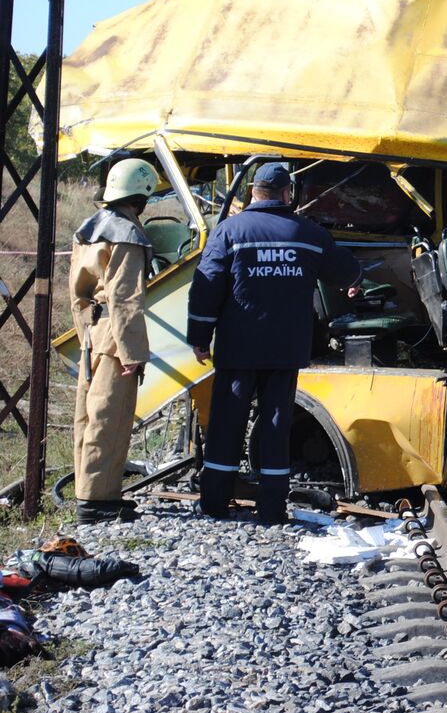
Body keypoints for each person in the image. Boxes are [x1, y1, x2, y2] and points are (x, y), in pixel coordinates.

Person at [186, 162, 360, 524]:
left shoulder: (229, 232)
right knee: (277, 425)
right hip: (285, 350)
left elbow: (206, 288)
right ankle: (272, 508)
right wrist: (355, 279)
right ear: (287, 194)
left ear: (252, 191)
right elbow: (344, 271)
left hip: (238, 348)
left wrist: (199, 337)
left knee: (226, 423)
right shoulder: (308, 233)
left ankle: (215, 502)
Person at [68, 158, 159, 525]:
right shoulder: (128, 234)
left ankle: (86, 491)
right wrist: (133, 353)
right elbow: (126, 300)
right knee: (111, 417)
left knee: (87, 416)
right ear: (142, 195)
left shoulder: (88, 229)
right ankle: (97, 500)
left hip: (92, 331)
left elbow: (78, 293)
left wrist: (84, 333)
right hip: (115, 337)